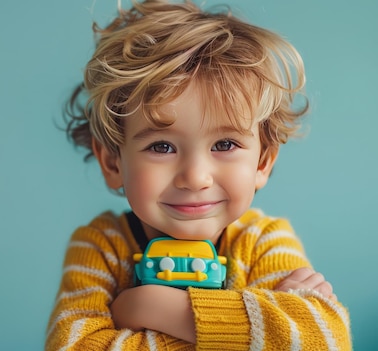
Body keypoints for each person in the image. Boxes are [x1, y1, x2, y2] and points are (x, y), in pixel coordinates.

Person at [46, 1, 352, 350]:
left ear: (262, 162)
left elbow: (325, 339)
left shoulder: (263, 240)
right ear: (113, 163)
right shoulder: (100, 246)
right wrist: (258, 331)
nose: (195, 177)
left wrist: (147, 307)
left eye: (224, 144)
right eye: (162, 147)